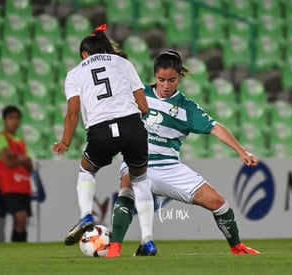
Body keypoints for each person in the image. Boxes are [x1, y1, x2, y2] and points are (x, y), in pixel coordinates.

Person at [110, 50, 261, 255]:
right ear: (155, 76)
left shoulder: (187, 108)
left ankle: (237, 247)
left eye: (171, 80)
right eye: (161, 79)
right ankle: (114, 247)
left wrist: (241, 151)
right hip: (138, 161)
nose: (165, 85)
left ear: (179, 77)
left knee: (219, 203)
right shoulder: (139, 95)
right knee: (128, 183)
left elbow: (215, 127)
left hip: (170, 167)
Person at [52, 24, 156, 257]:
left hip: (101, 130)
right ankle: (148, 240)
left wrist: (65, 142)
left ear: (84, 55)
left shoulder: (75, 73)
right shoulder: (123, 63)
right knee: (139, 181)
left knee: (87, 170)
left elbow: (73, 112)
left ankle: (86, 214)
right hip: (132, 126)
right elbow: (144, 106)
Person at [0, 105, 33, 242]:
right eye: (10, 118)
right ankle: (17, 249)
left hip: (23, 186)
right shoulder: (0, 139)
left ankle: (21, 250)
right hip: (10, 186)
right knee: (20, 218)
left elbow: (29, 166)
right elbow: (7, 162)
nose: (14, 121)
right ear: (4, 120)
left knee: (22, 221)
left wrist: (20, 158)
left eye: (17, 118)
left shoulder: (20, 142)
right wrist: (22, 159)